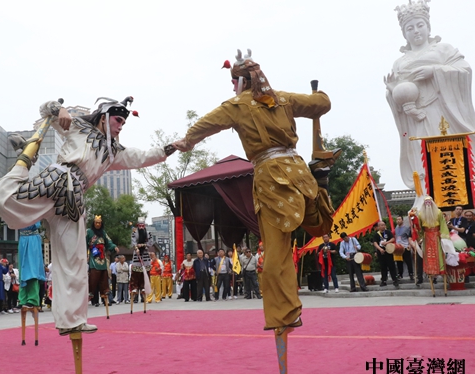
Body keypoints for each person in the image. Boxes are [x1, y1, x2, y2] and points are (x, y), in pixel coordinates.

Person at [172, 49, 336, 333]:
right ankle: (321, 182)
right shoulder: (283, 98)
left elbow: (205, 125)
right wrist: (319, 98)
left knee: (275, 252)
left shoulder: (237, 105)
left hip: (272, 178)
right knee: (320, 224)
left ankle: (283, 315)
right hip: (299, 171)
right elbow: (321, 104)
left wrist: (187, 141)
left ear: (240, 82)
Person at [0, 97, 174, 336]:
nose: (121, 126)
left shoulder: (112, 152)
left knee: (76, 259)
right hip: (57, 181)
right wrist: (60, 109)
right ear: (104, 118)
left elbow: (141, 157)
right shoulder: (78, 126)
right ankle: (22, 164)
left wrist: (171, 148)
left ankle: (72, 320)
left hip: (74, 199)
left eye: (123, 123)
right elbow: (45, 108)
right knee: (3, 197)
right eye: (118, 120)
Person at [384, 0, 475, 189]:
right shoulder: (400, 62)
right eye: (410, 28)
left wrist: (435, 71)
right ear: (405, 33)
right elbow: (398, 95)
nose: (416, 31)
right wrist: (393, 90)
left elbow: (464, 70)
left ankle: (458, 192)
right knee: (421, 150)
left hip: (442, 109)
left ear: (428, 26)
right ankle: (426, 194)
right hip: (417, 116)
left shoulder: (443, 49)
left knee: (448, 148)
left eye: (420, 25)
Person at [409, 196, 449, 277]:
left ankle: (440, 269)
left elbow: (443, 225)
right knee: (428, 254)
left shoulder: (438, 212)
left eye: (429, 202)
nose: (428, 204)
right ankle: (430, 270)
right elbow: (419, 227)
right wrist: (414, 222)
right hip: (426, 236)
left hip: (436, 235)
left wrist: (443, 235)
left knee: (438, 253)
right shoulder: (420, 214)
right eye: (426, 203)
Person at [87, 215, 118, 308]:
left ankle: (105, 297)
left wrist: (114, 247)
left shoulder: (103, 233)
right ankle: (91, 296)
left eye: (99, 223)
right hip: (93, 257)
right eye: (96, 223)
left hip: (102, 257)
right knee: (93, 277)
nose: (98, 224)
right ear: (93, 223)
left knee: (104, 278)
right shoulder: (88, 232)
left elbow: (109, 242)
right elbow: (82, 243)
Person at [17, 221, 46, 310]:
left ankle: (33, 299)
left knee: (32, 269)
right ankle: (22, 299)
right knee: (23, 269)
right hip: (22, 238)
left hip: (33, 239)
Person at [130, 217, 152, 304]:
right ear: (138, 225)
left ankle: (143, 293)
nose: (141, 227)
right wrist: (136, 248)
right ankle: (135, 293)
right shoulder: (134, 233)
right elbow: (133, 242)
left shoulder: (148, 233)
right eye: (140, 225)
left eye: (143, 225)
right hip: (137, 254)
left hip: (145, 254)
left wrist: (143, 245)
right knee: (136, 275)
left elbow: (150, 243)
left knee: (145, 274)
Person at [372, 221, 399, 287]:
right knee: (383, 267)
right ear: (378, 227)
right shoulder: (376, 234)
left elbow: (393, 238)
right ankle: (384, 280)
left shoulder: (388, 232)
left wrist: (387, 242)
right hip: (381, 252)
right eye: (381, 225)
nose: (383, 226)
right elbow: (375, 243)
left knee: (391, 266)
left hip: (389, 251)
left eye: (384, 225)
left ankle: (395, 280)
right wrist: (380, 249)